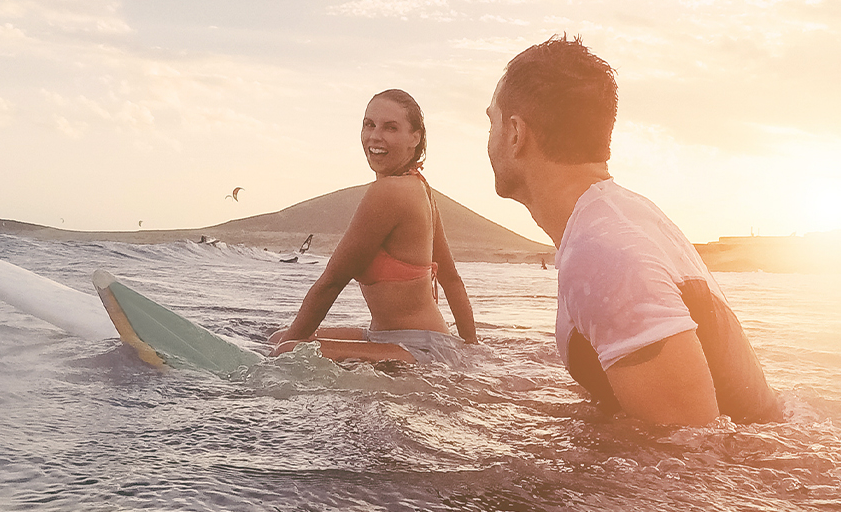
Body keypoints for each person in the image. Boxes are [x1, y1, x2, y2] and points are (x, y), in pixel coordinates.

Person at [486, 36, 781, 426]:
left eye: (491, 122)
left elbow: (692, 454)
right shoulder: (620, 218)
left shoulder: (602, 253)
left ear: (515, 134)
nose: (489, 140)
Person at [270, 89, 478, 365]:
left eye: (390, 128)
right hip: (402, 339)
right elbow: (451, 279)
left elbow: (331, 282)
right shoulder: (419, 187)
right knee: (278, 337)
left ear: (415, 137)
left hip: (418, 348)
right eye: (369, 124)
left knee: (284, 348)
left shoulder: (389, 192)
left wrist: (278, 357)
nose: (375, 136)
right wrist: (471, 347)